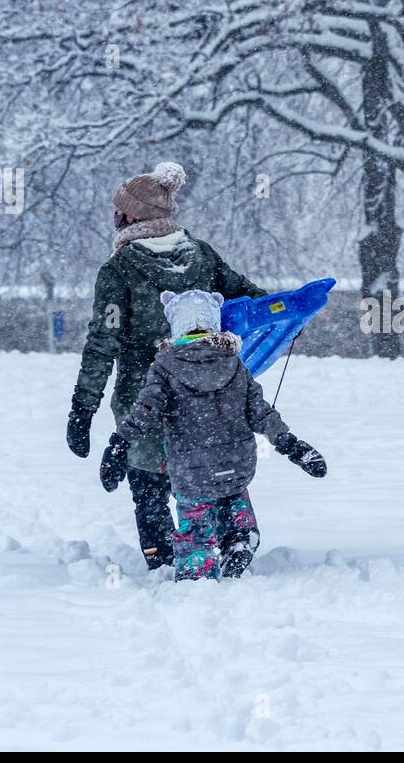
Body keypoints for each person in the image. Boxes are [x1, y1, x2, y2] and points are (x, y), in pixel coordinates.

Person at [66, 162, 267, 569]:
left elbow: (102, 342)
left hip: (146, 396)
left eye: (117, 212)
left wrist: (82, 408)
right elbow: (251, 300)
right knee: (208, 467)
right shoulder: (201, 255)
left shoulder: (119, 269)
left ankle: (165, 557)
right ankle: (233, 538)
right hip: (207, 394)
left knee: (149, 478)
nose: (114, 218)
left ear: (129, 216)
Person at [97, 288, 326, 580]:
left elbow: (145, 411)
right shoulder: (234, 362)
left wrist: (118, 446)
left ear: (176, 323)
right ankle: (240, 538)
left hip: (191, 474)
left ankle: (197, 571)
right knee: (236, 507)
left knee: (194, 531)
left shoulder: (165, 367)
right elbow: (261, 413)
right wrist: (292, 445)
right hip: (235, 467)